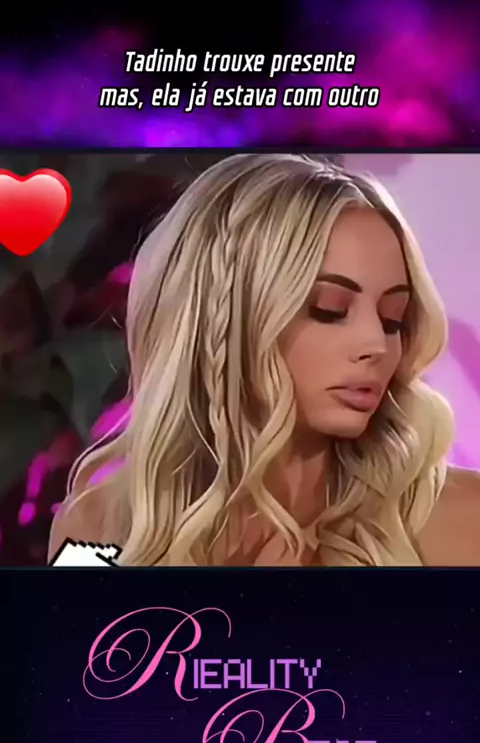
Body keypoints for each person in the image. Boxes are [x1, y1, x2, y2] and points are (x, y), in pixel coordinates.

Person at [48, 153, 480, 566]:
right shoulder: (96, 529)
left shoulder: (465, 519)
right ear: (224, 318)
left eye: (393, 319)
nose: (378, 345)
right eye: (329, 309)